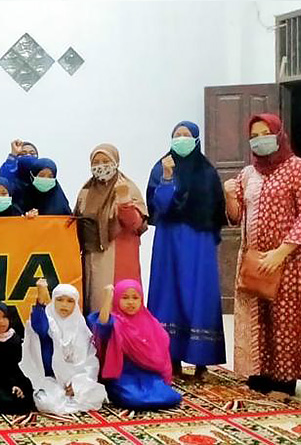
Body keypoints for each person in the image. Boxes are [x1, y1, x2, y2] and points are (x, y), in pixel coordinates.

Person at [225, 113, 301, 396]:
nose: (260, 140)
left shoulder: (297, 168)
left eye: (265, 133)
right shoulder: (247, 174)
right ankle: (261, 373)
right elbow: (236, 216)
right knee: (259, 317)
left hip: (287, 259)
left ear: (279, 135)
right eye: (254, 136)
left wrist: (281, 252)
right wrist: (229, 195)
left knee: (284, 318)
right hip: (254, 259)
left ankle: (285, 382)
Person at [146, 121, 227, 378]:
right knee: (169, 294)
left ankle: (202, 362)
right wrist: (168, 177)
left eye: (186, 135)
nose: (181, 139)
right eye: (177, 135)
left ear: (196, 139)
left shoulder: (207, 172)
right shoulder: (161, 168)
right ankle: (172, 359)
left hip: (199, 241)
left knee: (199, 294)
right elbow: (159, 207)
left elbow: (216, 209)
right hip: (169, 241)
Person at [74, 144, 148, 313]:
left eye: (105, 161)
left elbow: (135, 224)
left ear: (116, 162)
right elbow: (76, 220)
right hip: (92, 255)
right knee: (95, 300)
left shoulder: (126, 187)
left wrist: (124, 201)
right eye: (96, 162)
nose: (101, 166)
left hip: (119, 252)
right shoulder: (86, 190)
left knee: (119, 300)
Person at [88, 281, 182, 409]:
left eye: (135, 298)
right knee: (132, 399)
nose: (130, 302)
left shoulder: (150, 322)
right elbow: (102, 324)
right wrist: (108, 298)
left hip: (147, 373)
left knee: (171, 397)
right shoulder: (115, 321)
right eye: (125, 297)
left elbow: (161, 349)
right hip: (123, 375)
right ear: (117, 299)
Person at [20, 281, 106, 414]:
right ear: (53, 301)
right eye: (60, 300)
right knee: (47, 402)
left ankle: (70, 393)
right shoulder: (47, 320)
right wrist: (40, 302)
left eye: (70, 301)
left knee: (96, 394)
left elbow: (89, 360)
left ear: (75, 304)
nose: (64, 305)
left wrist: (77, 383)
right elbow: (39, 326)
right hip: (48, 378)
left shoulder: (80, 326)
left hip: (71, 379)